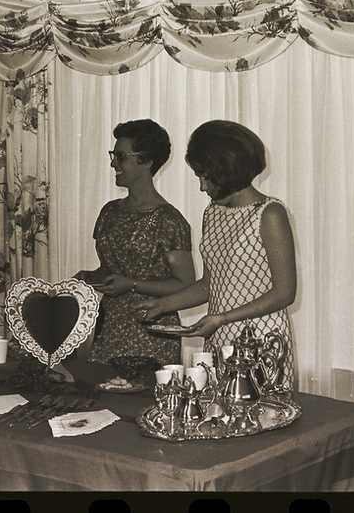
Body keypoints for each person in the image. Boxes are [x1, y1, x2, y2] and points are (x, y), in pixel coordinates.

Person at [133, 120, 296, 389]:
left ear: (228, 170)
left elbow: (284, 292)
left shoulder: (270, 213)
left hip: (260, 341)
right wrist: (162, 305)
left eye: (205, 176)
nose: (202, 186)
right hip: (218, 336)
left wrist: (222, 318)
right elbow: (210, 285)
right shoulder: (212, 213)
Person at [75, 119, 196, 366]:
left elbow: (185, 284)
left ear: (147, 161)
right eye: (113, 155)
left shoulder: (169, 219)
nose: (113, 163)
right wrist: (89, 277)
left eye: (121, 157)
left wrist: (131, 284)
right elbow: (113, 269)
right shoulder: (109, 211)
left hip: (152, 331)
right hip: (110, 326)